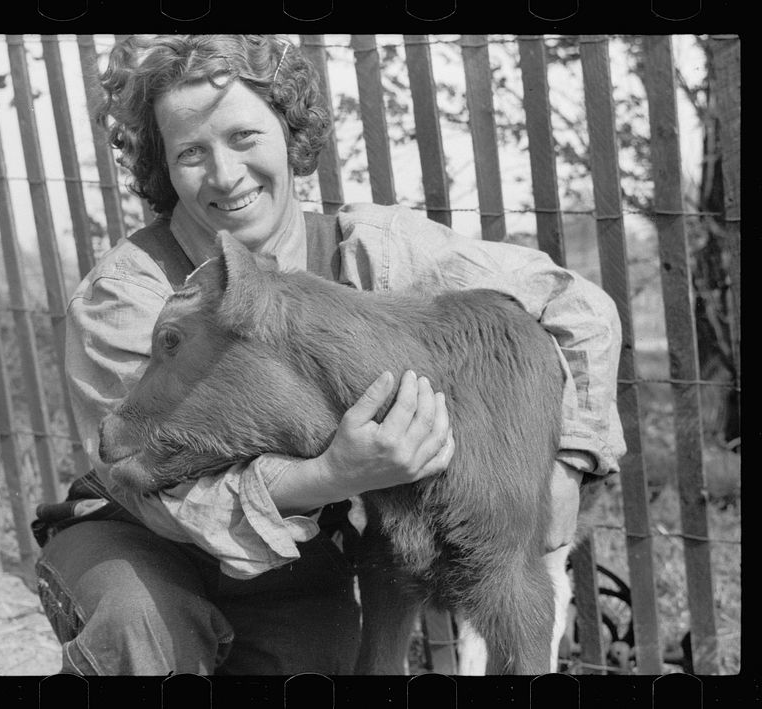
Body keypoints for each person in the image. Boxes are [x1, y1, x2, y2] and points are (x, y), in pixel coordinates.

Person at [31, 34, 625, 676]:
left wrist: (567, 464)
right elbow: (157, 489)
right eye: (191, 152)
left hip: (289, 558)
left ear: (291, 133)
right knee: (140, 622)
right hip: (140, 543)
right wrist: (335, 476)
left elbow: (577, 305)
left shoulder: (369, 249)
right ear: (163, 168)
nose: (225, 175)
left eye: (245, 137)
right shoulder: (131, 293)